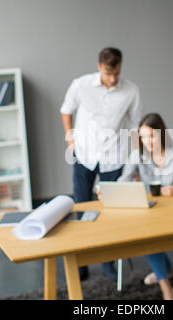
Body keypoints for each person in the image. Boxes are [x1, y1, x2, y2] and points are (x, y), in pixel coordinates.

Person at [97, 113, 173, 300]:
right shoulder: (138, 155)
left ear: (162, 134)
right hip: (150, 213)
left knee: (147, 237)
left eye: (152, 136)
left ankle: (166, 284)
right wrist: (107, 191)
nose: (147, 141)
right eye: (143, 137)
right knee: (146, 234)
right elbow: (122, 181)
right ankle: (167, 283)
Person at [60, 47, 142, 281]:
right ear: (99, 67)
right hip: (84, 154)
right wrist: (70, 139)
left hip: (113, 156)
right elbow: (66, 110)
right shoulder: (81, 85)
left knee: (110, 209)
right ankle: (81, 263)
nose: (113, 78)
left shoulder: (132, 91)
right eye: (108, 73)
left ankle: (108, 263)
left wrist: (135, 163)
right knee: (82, 206)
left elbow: (136, 126)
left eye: (116, 72)